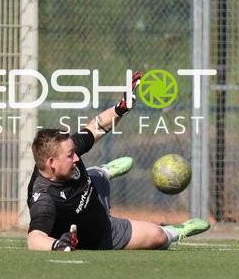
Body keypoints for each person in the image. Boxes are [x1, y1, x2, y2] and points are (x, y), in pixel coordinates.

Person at [26, 71, 210, 251]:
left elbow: (96, 126)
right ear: (51, 163)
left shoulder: (66, 149)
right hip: (102, 235)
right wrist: (57, 245)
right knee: (159, 237)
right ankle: (173, 231)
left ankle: (102, 173)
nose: (76, 157)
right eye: (70, 155)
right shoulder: (44, 198)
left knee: (95, 177)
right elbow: (34, 238)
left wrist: (121, 108)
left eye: (75, 152)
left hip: (94, 197)